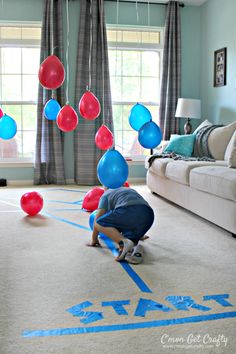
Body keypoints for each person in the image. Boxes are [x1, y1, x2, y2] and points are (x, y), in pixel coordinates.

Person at [87, 187, 154, 262]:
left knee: (99, 223)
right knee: (130, 239)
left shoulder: (105, 195)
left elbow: (97, 219)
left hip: (128, 210)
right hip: (149, 216)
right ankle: (134, 248)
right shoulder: (130, 190)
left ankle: (122, 242)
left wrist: (94, 239)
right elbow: (139, 208)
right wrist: (141, 234)